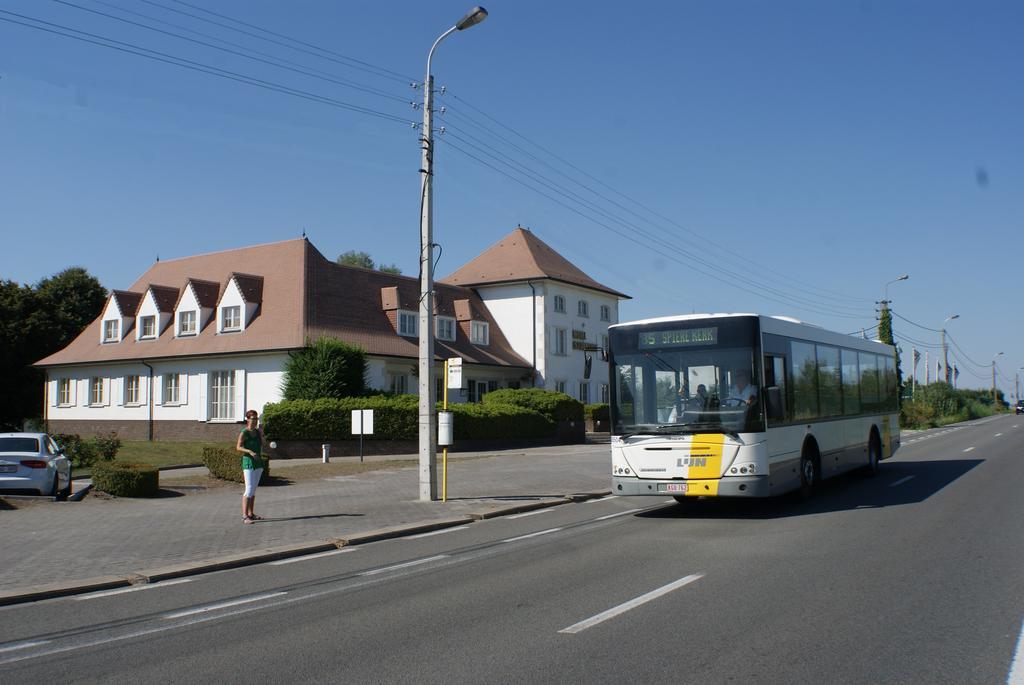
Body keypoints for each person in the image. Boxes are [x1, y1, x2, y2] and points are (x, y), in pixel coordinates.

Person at [236, 409, 267, 524]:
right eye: (253, 419)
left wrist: (262, 435)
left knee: (253, 490)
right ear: (247, 419)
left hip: (258, 462)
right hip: (248, 462)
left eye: (256, 419)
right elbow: (238, 447)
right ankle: (244, 516)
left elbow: (262, 443)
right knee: (248, 489)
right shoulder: (244, 432)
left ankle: (251, 514)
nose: (255, 421)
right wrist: (249, 451)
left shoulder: (258, 432)